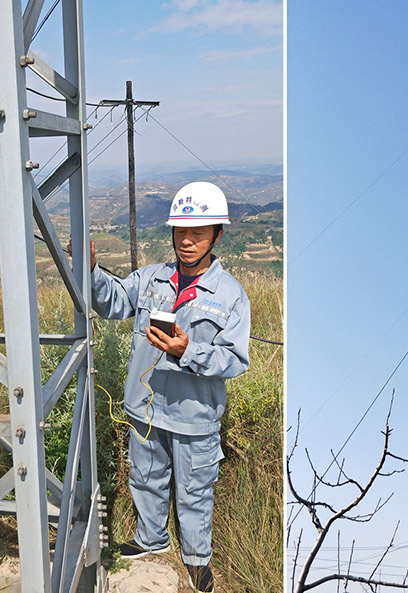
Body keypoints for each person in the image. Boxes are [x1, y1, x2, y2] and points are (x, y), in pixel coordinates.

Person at [82, 181, 250, 593]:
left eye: (198, 233)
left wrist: (187, 349)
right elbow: (114, 301)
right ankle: (149, 540)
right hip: (146, 408)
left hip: (194, 417)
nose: (188, 241)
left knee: (194, 493)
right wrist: (90, 270)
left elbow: (234, 360)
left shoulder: (230, 295)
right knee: (146, 478)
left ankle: (196, 564)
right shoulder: (153, 279)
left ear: (217, 235)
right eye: (181, 232)